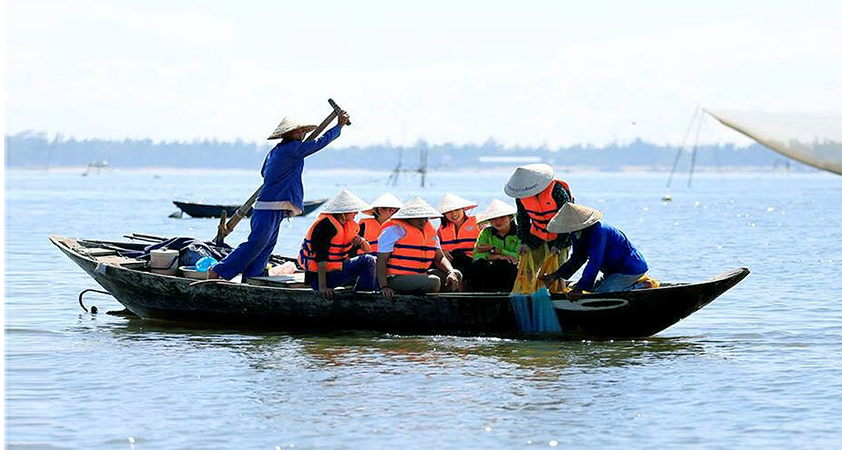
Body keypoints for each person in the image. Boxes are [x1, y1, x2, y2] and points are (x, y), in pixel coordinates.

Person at [210, 111, 350, 280]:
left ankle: (253, 275)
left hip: (275, 207)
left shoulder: (276, 151)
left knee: (268, 244)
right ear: (288, 134)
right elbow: (320, 143)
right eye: (298, 131)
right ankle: (219, 270)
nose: (301, 134)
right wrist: (339, 126)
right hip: (269, 206)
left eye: (302, 131)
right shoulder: (292, 149)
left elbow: (264, 173)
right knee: (257, 243)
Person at [541, 203, 648, 297]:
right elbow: (578, 258)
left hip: (629, 269)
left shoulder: (599, 231)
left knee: (603, 293)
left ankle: (642, 286)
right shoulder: (576, 233)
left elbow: (595, 262)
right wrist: (555, 275)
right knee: (592, 290)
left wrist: (579, 289)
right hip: (612, 271)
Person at [377, 197, 462, 299]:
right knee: (433, 282)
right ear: (408, 218)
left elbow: (440, 257)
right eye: (419, 218)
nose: (423, 221)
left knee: (456, 274)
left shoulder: (430, 232)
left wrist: (450, 271)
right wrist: (384, 286)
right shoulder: (393, 231)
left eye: (426, 218)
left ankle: (442, 303)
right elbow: (381, 260)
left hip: (420, 275)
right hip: (396, 278)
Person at [298, 189, 377, 299]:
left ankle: (363, 293)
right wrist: (323, 287)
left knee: (372, 259)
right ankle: (364, 297)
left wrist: (362, 241)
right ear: (344, 212)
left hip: (337, 272)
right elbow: (320, 258)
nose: (356, 213)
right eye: (353, 210)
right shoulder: (325, 225)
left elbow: (367, 250)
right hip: (319, 279)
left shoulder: (349, 226)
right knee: (368, 260)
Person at [504, 163, 574, 267]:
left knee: (557, 271)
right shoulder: (521, 195)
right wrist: (524, 241)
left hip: (560, 235)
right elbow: (522, 218)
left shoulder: (557, 190)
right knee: (528, 268)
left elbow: (567, 218)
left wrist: (559, 244)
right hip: (536, 235)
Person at [471, 199, 521, 292]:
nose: (498, 221)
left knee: (508, 265)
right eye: (494, 218)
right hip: (492, 267)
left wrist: (498, 251)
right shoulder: (486, 232)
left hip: (513, 270)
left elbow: (519, 256)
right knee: (478, 265)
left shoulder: (520, 233)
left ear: (510, 217)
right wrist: (498, 256)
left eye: (502, 217)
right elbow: (476, 255)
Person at [435, 193, 480, 284]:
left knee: (459, 256)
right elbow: (435, 246)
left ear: (463, 209)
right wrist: (442, 250)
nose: (454, 213)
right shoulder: (442, 228)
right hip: (451, 262)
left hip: (473, 261)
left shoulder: (478, 221)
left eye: (457, 209)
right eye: (449, 211)